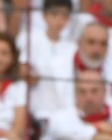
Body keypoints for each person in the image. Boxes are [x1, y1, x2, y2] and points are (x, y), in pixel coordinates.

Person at [19, 0, 76, 131]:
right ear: (44, 15)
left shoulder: (71, 47)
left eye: (64, 17)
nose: (59, 21)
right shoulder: (30, 39)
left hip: (63, 109)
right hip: (38, 107)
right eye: (54, 15)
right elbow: (21, 69)